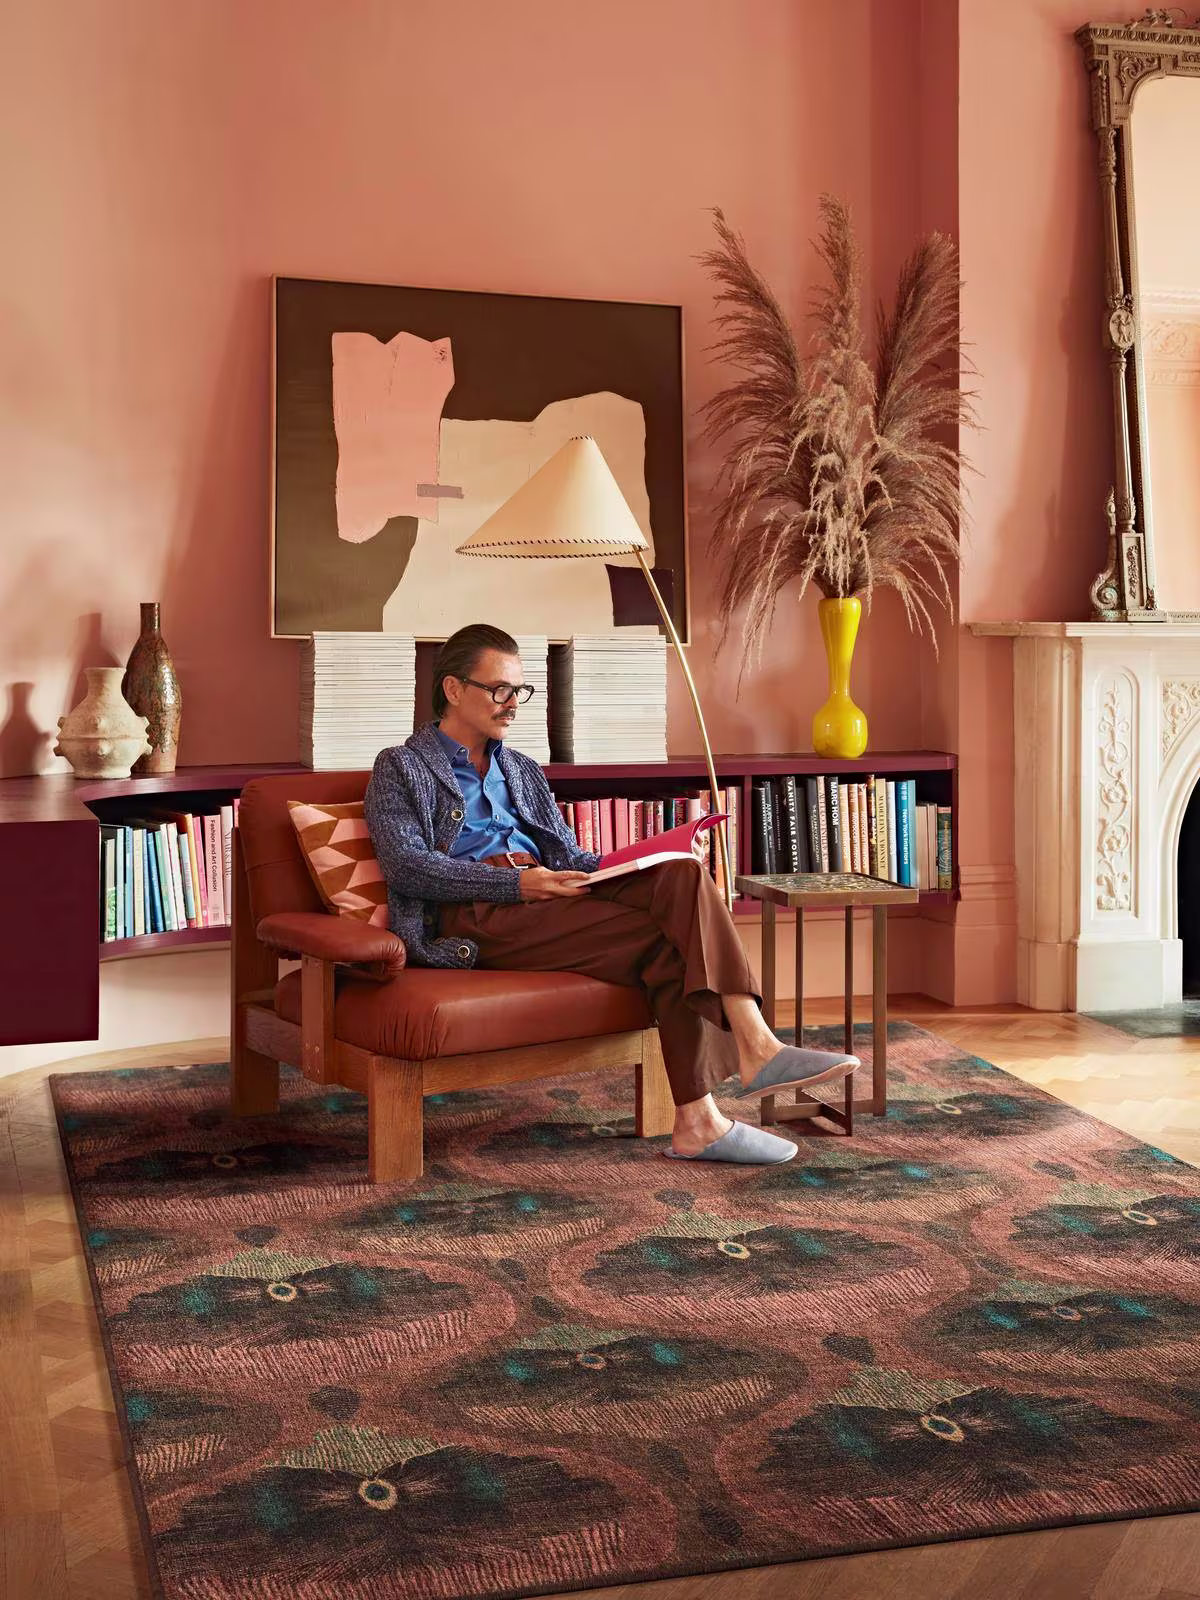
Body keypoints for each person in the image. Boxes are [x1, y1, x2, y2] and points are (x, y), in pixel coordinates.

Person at [364, 623, 859, 1164]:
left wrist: (636, 862)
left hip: (550, 894)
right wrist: (516, 882)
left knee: (683, 876)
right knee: (668, 943)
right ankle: (721, 1096)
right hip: (477, 915)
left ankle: (729, 1081)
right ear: (454, 689)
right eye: (499, 689)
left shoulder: (523, 770)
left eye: (520, 691)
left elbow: (571, 858)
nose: (513, 705)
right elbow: (409, 867)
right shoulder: (401, 766)